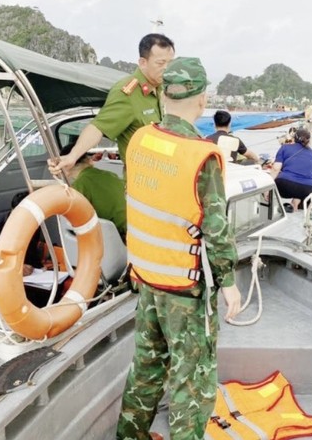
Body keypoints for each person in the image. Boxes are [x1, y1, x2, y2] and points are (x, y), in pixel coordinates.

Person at [118, 57, 242, 440]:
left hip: (146, 280)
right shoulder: (201, 155)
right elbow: (217, 230)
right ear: (202, 100)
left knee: (146, 367)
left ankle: (130, 436)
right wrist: (230, 282)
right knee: (192, 384)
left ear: (162, 94)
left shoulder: (139, 140)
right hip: (184, 292)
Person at [47, 33, 175, 180]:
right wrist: (73, 156)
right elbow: (98, 127)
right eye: (160, 63)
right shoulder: (128, 93)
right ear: (143, 62)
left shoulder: (158, 89)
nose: (167, 69)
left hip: (161, 178)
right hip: (142, 183)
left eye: (170, 64)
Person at [59, 143, 127, 238]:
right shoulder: (111, 175)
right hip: (130, 228)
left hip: (115, 236)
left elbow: (73, 220)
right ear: (88, 160)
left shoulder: (79, 185)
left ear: (66, 166)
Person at [269, 127, 312, 211]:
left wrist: (267, 190)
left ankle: (275, 210)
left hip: (285, 185)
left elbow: (275, 169)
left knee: (278, 185)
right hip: (307, 188)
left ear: (294, 138)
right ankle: (295, 205)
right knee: (301, 185)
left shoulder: (285, 147)